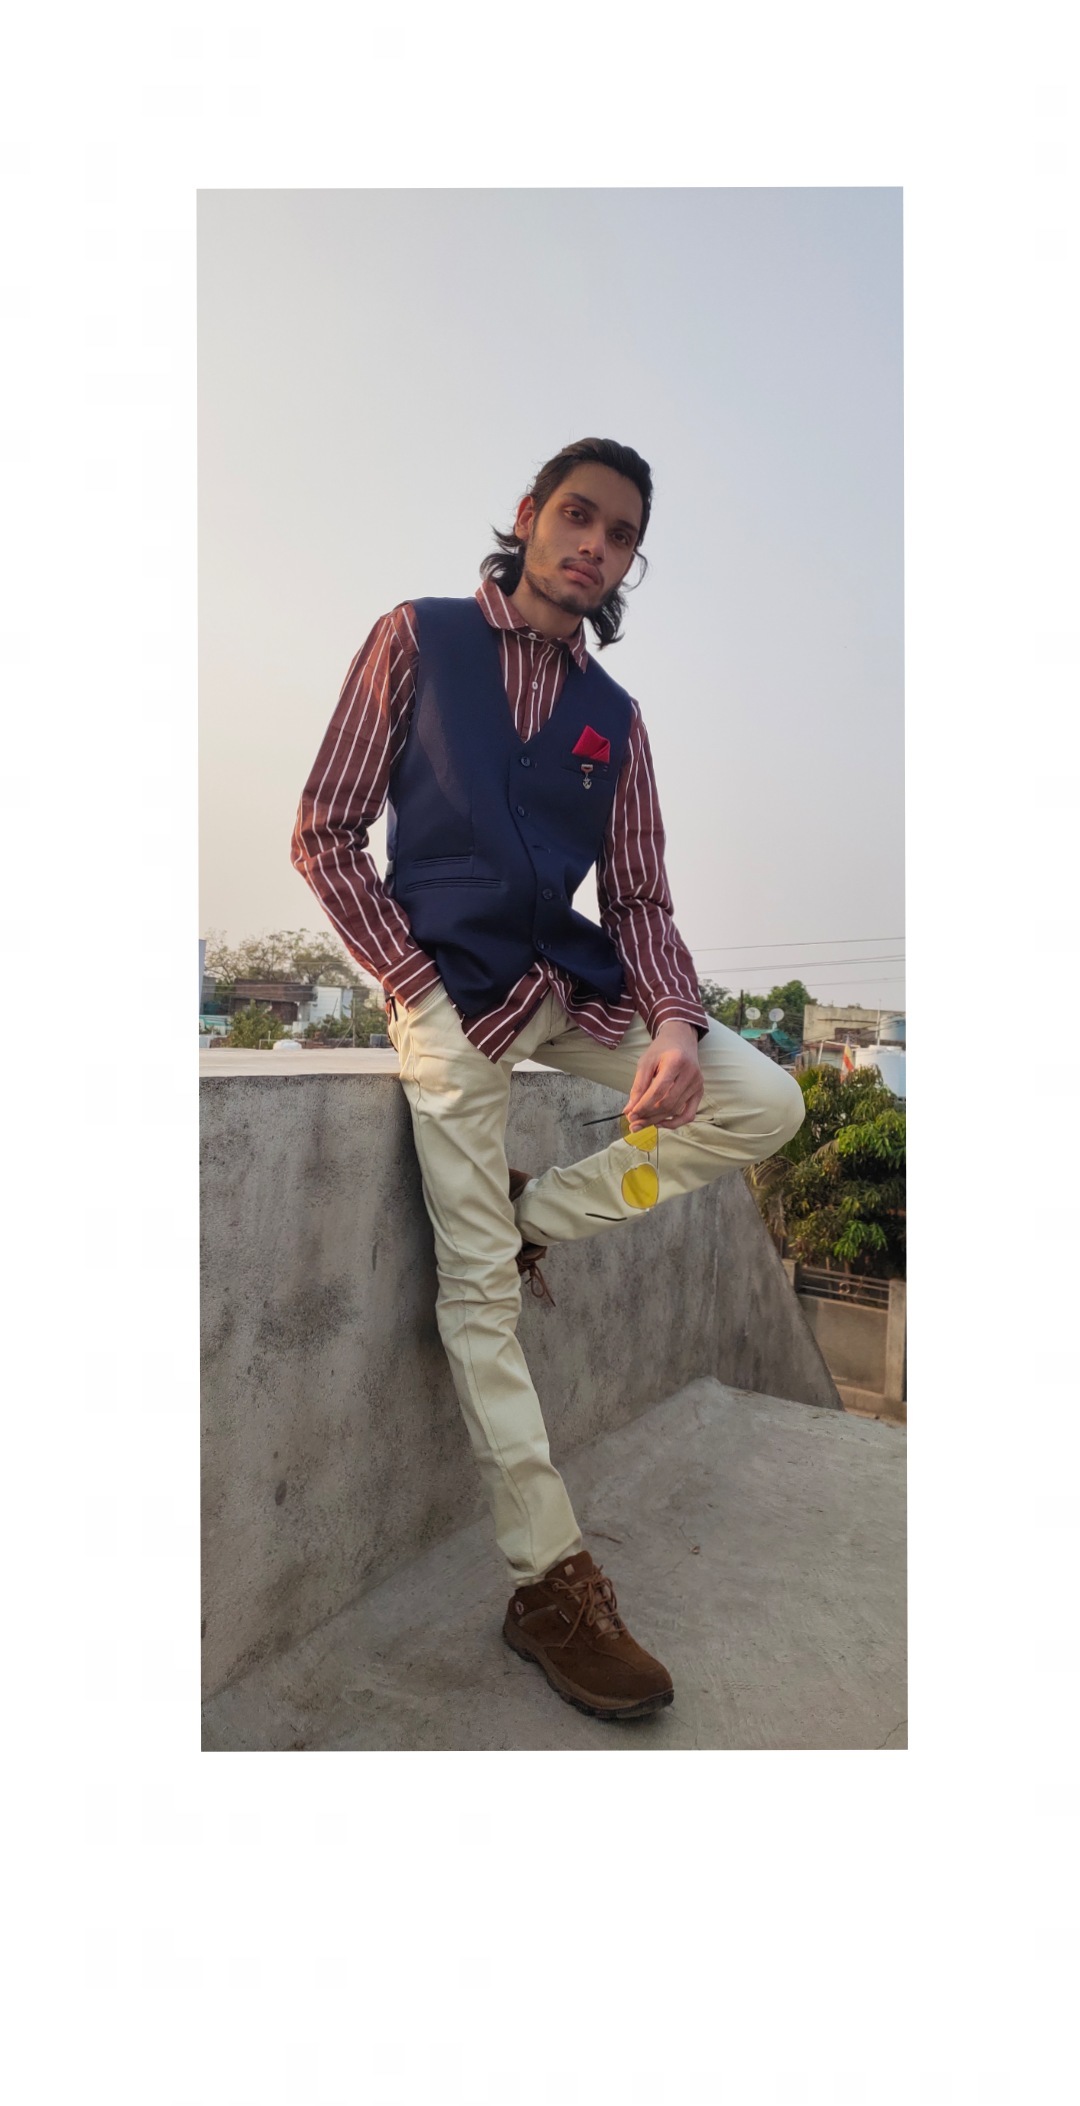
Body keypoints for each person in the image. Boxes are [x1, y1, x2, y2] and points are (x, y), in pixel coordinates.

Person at [291, 437, 805, 1723]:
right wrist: (410, 986)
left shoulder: (613, 720)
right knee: (478, 1298)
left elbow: (638, 899)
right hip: (449, 999)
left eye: (622, 535)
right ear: (528, 516)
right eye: (579, 515)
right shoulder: (417, 639)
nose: (596, 545)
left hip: (568, 983)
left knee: (767, 1102)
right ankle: (547, 1581)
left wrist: (676, 1025)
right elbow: (325, 832)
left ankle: (539, 1213)